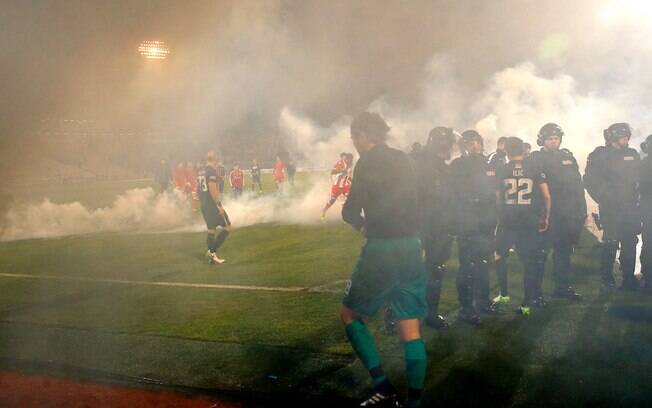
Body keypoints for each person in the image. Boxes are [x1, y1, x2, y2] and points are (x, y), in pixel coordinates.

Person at [341, 112, 427, 408]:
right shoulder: (405, 159)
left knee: (349, 314)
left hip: (382, 248)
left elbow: (350, 211)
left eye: (355, 136)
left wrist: (363, 224)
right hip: (412, 246)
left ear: (365, 135)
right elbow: (421, 199)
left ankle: (383, 387)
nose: (354, 142)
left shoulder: (366, 163)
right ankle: (413, 403)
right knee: (410, 327)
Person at [495, 137, 551, 315]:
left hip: (508, 220)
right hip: (528, 220)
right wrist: (546, 217)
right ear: (523, 150)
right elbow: (547, 196)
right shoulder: (534, 167)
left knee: (498, 255)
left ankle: (504, 293)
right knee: (529, 262)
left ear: (506, 151)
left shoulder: (502, 169)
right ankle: (526, 304)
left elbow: (497, 198)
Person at [530, 123, 586, 300]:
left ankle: (562, 287)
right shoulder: (536, 158)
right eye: (550, 139)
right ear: (542, 140)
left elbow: (578, 185)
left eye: (556, 138)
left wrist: (581, 209)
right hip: (546, 212)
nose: (554, 142)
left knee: (564, 252)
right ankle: (535, 292)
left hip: (567, 213)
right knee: (540, 253)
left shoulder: (567, 156)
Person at [449, 130, 500, 325]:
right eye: (470, 143)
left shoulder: (488, 164)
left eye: (477, 142)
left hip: (486, 222)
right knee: (467, 266)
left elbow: (494, 193)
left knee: (483, 263)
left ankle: (483, 301)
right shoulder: (457, 166)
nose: (475, 146)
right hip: (467, 223)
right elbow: (452, 195)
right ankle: (465, 307)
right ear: (463, 145)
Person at [584, 123, 641, 291]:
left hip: (630, 206)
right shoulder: (600, 155)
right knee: (611, 241)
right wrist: (603, 197)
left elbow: (639, 178)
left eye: (627, 137)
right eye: (623, 137)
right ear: (614, 138)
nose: (627, 140)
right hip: (611, 207)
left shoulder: (632, 154)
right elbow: (589, 180)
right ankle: (607, 278)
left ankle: (628, 278)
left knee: (630, 241)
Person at [415, 127, 456, 329]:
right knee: (415, 270)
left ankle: (428, 314)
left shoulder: (437, 166)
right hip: (422, 224)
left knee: (432, 270)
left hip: (435, 225)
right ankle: (398, 315)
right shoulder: (421, 165)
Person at [197, 150, 231, 264]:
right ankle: (212, 252)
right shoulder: (211, 172)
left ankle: (212, 253)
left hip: (205, 205)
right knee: (227, 227)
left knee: (211, 230)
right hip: (212, 206)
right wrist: (219, 205)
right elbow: (212, 189)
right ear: (215, 159)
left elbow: (198, 189)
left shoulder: (202, 172)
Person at [321, 153, 353, 220]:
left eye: (351, 160)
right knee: (332, 200)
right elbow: (332, 172)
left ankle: (346, 217)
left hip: (346, 186)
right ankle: (324, 210)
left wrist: (352, 181)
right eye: (349, 160)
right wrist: (341, 170)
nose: (350, 161)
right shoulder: (340, 163)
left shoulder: (350, 165)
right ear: (346, 159)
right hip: (337, 186)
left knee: (348, 200)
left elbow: (348, 175)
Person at [640, 135, 652, 290]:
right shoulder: (644, 165)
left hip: (647, 209)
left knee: (648, 243)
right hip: (648, 209)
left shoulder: (643, 164)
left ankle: (648, 279)